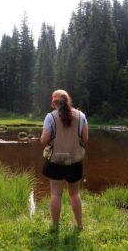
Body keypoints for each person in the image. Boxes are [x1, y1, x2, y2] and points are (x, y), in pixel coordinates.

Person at [40, 89, 89, 231]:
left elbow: (44, 140)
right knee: (75, 194)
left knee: (56, 194)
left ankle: (55, 227)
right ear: (68, 100)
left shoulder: (50, 117)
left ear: (54, 103)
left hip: (56, 162)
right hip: (75, 162)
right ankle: (80, 225)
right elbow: (85, 139)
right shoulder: (81, 116)